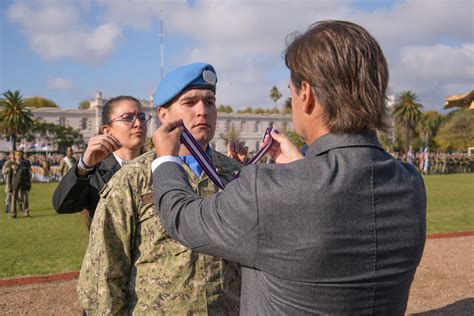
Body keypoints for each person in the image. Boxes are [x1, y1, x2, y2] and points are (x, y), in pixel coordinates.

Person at [152, 20, 427, 314]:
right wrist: (306, 168)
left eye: (291, 92)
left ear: (306, 94)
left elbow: (182, 217)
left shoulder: (269, 189)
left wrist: (166, 160)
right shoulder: (409, 183)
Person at [77, 63, 241, 314]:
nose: (202, 111)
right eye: (189, 103)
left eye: (210, 102)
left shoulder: (237, 175)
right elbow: (104, 272)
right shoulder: (134, 178)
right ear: (164, 115)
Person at [52, 96, 149, 222]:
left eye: (142, 117)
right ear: (107, 131)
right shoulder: (95, 174)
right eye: (127, 118)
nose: (138, 124)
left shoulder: (157, 167)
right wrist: (83, 167)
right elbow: (63, 205)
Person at [11, 150, 32, 218]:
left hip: (23, 183)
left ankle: (26, 212)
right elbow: (9, 175)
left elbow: (28, 174)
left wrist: (28, 183)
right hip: (15, 183)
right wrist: (9, 185)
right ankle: (14, 213)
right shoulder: (12, 163)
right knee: (14, 198)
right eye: (17, 155)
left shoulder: (25, 163)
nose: (18, 157)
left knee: (25, 198)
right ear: (15, 156)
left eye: (20, 155)